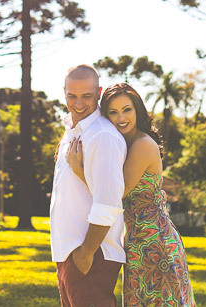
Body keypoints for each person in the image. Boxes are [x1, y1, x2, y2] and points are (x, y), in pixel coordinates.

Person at [68, 82, 196, 306]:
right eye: (113, 112)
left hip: (156, 242)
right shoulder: (122, 143)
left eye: (127, 109)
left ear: (137, 110)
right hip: (138, 241)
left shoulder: (142, 145)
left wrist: (80, 171)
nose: (121, 118)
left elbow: (117, 193)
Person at [50, 64, 128, 307]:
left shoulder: (102, 135)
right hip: (69, 254)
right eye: (72, 96)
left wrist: (85, 254)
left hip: (92, 256)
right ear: (64, 92)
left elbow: (108, 202)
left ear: (99, 92)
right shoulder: (72, 131)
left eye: (86, 96)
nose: (79, 103)